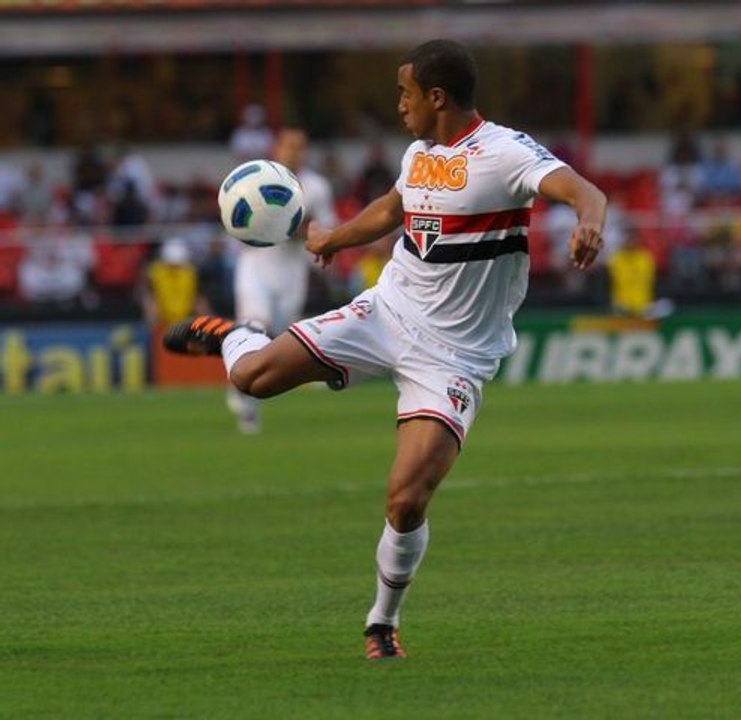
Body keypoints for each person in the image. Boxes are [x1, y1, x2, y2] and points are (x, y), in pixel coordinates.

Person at [162, 39, 606, 659]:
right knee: (253, 377)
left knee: (406, 497)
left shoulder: (503, 152)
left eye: (404, 93)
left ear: (437, 97)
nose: (397, 105)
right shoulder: (419, 153)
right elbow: (395, 207)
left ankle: (381, 621)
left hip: (453, 356)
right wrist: (335, 238)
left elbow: (584, 188)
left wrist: (589, 221)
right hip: (387, 311)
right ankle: (230, 335)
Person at [227, 127, 337, 434]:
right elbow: (236, 217)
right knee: (254, 326)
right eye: (289, 146)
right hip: (255, 267)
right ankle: (244, 401)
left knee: (275, 339)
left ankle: (246, 388)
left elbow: (325, 228)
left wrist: (294, 227)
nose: (295, 152)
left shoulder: (316, 186)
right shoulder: (258, 176)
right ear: (277, 148)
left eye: (300, 147)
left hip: (292, 272)